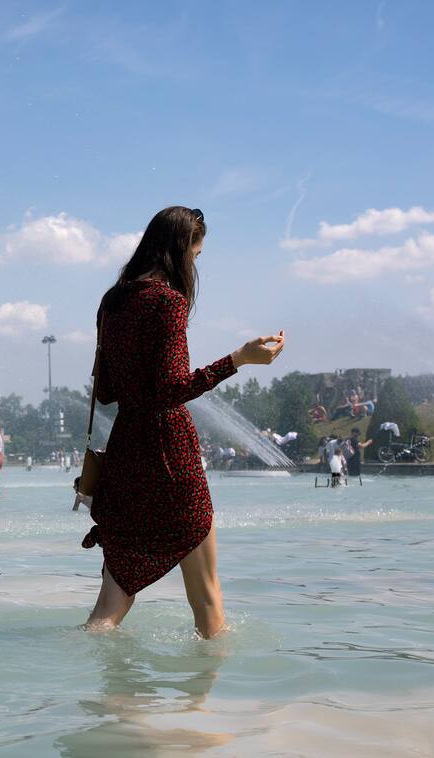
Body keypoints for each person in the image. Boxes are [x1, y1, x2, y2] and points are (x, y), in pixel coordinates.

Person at [81, 206, 284, 639]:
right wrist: (239, 359)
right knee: (206, 594)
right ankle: (203, 705)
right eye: (195, 255)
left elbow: (107, 391)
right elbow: (172, 389)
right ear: (179, 251)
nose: (195, 265)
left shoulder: (112, 302)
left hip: (125, 455)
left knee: (109, 604)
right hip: (169, 453)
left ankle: (104, 699)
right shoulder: (167, 302)